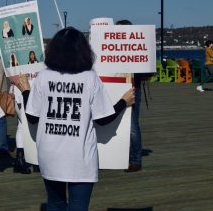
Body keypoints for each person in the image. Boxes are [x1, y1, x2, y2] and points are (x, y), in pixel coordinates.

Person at [13, 27, 134, 210]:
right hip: (81, 157)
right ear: (83, 51)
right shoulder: (90, 78)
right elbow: (104, 118)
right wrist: (124, 101)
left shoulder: (44, 77)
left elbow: (31, 117)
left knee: (55, 203)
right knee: (78, 206)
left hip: (49, 154)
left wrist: (26, 90)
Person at [115, 19, 144, 172]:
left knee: (132, 125)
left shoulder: (136, 49)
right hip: (117, 87)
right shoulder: (116, 48)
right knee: (121, 124)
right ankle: (123, 156)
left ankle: (135, 160)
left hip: (132, 87)